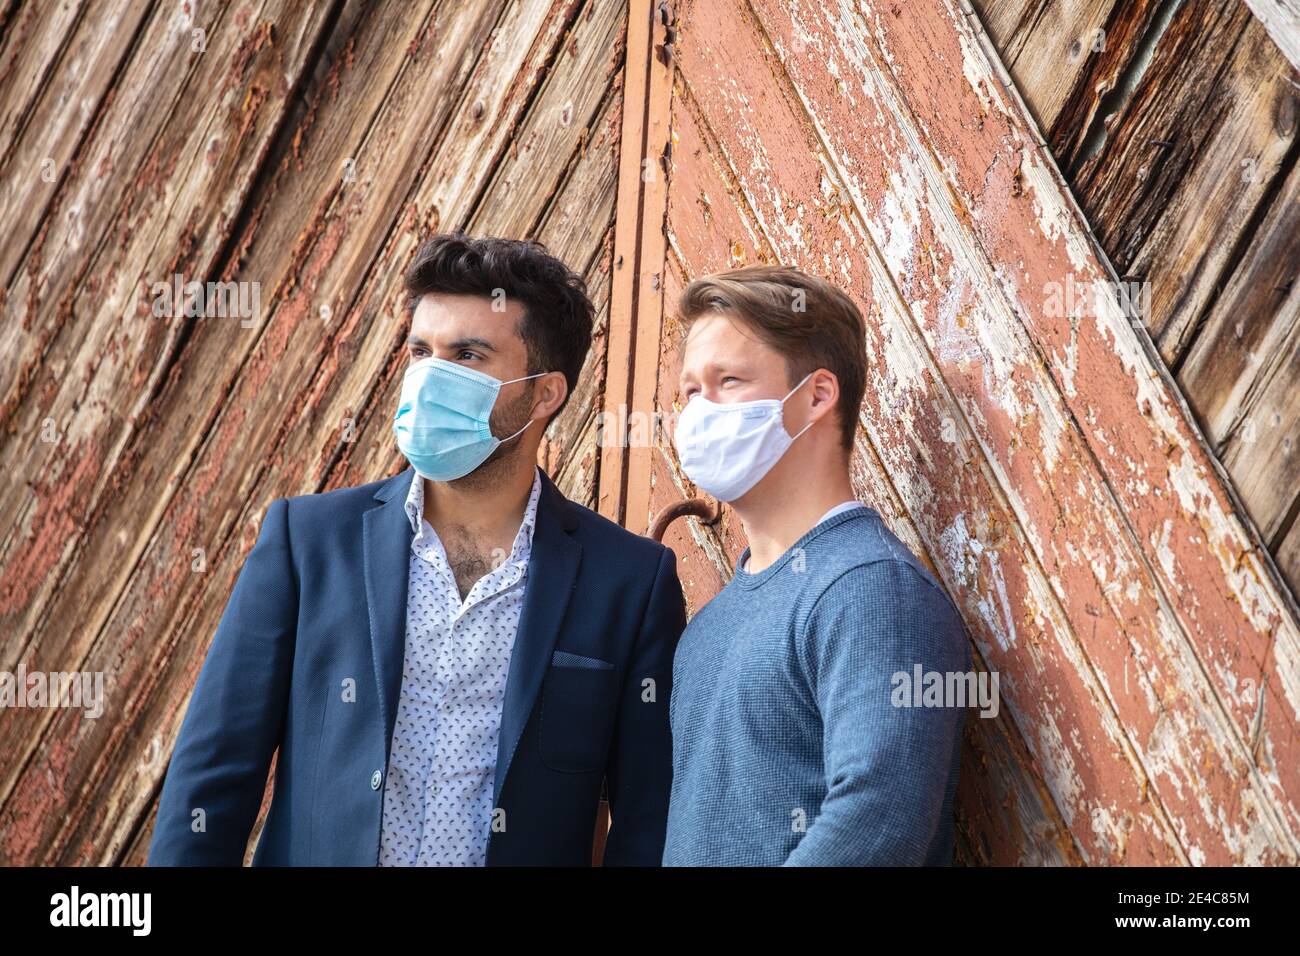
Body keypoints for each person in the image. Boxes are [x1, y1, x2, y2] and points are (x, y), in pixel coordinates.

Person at [149, 234, 685, 866]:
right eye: (421, 351)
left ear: (545, 394)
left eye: (467, 355)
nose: (432, 375)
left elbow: (648, 818)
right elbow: (215, 768)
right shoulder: (309, 541)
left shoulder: (631, 582)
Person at [662, 265, 971, 866]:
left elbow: (882, 815)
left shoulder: (873, 588)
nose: (700, 413)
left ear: (816, 397)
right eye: (692, 392)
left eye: (728, 380)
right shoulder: (710, 625)